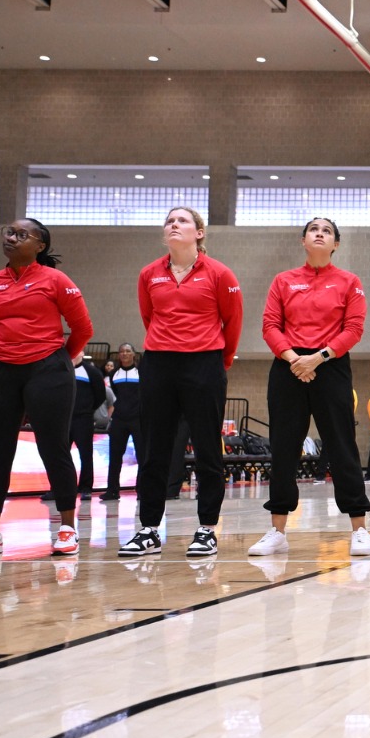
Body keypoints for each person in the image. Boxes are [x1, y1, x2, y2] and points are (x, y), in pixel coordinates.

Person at [0, 218, 93, 558]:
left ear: (40, 245)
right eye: (9, 233)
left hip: (47, 369)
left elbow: (82, 328)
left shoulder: (56, 280)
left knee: (53, 447)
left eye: (22, 235)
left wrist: (58, 361)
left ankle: (67, 527)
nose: (12, 238)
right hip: (0, 371)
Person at [118, 206, 242, 559]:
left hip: (205, 363)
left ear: (199, 233)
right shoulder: (148, 274)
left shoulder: (220, 273)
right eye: (170, 221)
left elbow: (232, 322)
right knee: (155, 448)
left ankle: (206, 529)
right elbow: (148, 315)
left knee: (206, 448)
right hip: (159, 363)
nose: (174, 224)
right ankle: (149, 529)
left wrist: (221, 360)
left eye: (182, 221)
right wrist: (165, 348)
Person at [245, 217, 370, 558]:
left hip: (330, 365)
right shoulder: (283, 280)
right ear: (304, 240)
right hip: (288, 368)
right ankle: (277, 530)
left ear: (336, 245)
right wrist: (293, 360)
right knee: (284, 447)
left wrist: (318, 358)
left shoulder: (349, 281)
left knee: (342, 445)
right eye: (313, 229)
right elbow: (270, 325)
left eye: (327, 231)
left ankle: (359, 529)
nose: (319, 233)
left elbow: (354, 328)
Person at [104, 343, 143, 498]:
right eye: (122, 352)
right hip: (119, 419)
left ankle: (142, 490)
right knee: (114, 455)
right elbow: (113, 395)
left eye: (128, 351)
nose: (125, 354)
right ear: (119, 355)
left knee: (142, 455)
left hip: (138, 419)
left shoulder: (141, 373)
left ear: (134, 354)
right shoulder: (114, 374)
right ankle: (112, 490)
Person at [69, 352, 106, 497]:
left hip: (83, 419)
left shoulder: (91, 372)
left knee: (85, 454)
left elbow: (100, 395)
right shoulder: (61, 369)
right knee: (61, 456)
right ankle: (61, 488)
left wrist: (87, 409)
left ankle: (85, 488)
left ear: (82, 354)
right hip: (64, 419)